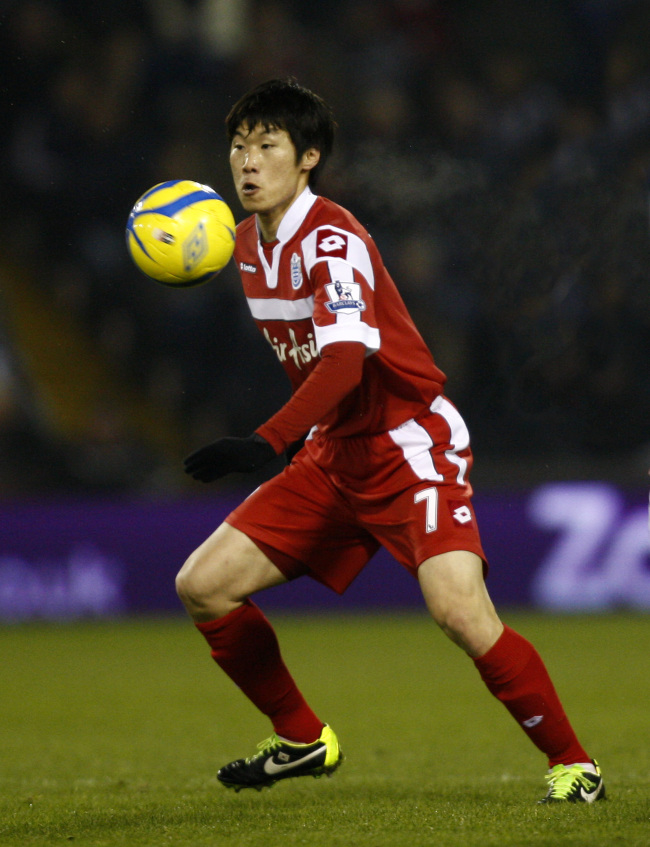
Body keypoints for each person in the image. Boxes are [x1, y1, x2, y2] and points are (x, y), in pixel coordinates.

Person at [176, 78, 604, 804]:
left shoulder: (334, 240)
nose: (247, 163)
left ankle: (576, 765)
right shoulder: (244, 244)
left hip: (409, 442)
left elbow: (345, 362)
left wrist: (265, 440)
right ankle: (304, 738)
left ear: (307, 157)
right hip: (332, 453)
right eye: (239, 147)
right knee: (204, 586)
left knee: (460, 612)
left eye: (267, 146)